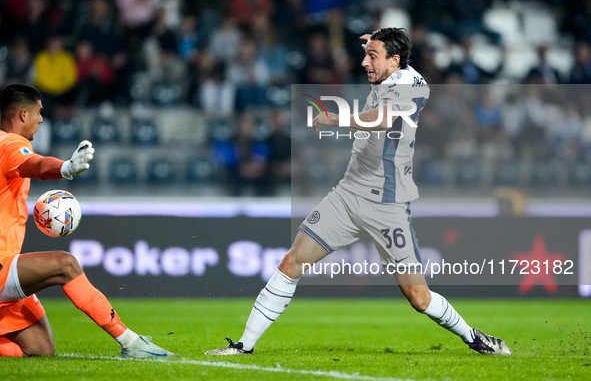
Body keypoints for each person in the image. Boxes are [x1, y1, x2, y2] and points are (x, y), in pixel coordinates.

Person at [205, 28, 512, 356]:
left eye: (372, 57)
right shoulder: (388, 71)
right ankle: (244, 345)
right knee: (290, 263)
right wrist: (373, 42)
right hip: (347, 194)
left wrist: (339, 119)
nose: (365, 62)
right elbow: (383, 70)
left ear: (395, 61)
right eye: (366, 54)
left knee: (418, 298)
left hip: (386, 203)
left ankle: (473, 337)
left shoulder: (412, 86)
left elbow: (384, 119)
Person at [0, 84, 176, 358]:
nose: (42, 119)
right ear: (23, 115)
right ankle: (131, 342)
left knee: (39, 349)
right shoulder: (11, 143)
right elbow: (33, 165)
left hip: (6, 259)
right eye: (39, 112)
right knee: (65, 264)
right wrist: (65, 167)